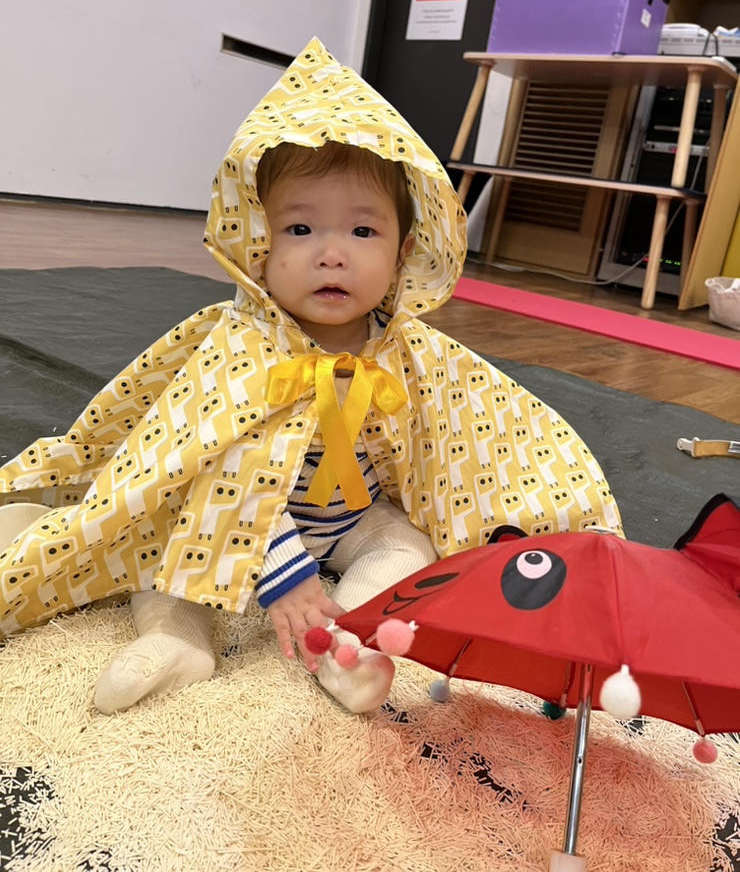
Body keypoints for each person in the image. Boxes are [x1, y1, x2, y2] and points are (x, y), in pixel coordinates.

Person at [0, 38, 623, 715]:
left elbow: (480, 433)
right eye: (300, 229)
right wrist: (282, 570)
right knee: (167, 551)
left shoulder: (409, 351)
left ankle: (346, 639)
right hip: (240, 522)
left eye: (363, 232)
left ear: (404, 252)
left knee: (409, 550)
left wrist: (560, 519)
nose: (331, 254)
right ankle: (179, 638)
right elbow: (213, 464)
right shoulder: (241, 345)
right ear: (257, 244)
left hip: (353, 520)